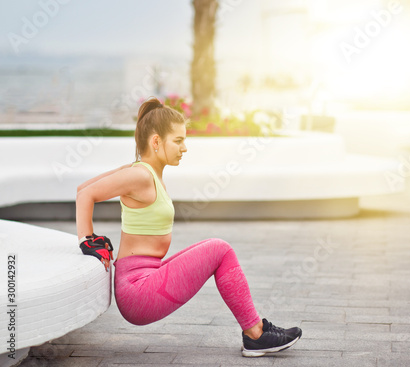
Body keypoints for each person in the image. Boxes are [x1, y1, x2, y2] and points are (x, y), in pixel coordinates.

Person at [75, 97, 302, 357]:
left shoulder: (142, 171)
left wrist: (92, 236)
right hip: (138, 292)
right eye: (179, 140)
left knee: (215, 248)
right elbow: (85, 195)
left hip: (146, 277)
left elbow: (84, 189)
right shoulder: (139, 175)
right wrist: (87, 240)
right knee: (220, 249)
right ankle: (256, 334)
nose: (185, 148)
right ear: (157, 141)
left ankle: (257, 328)